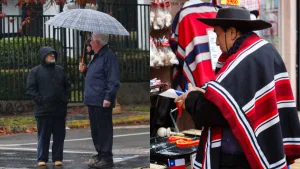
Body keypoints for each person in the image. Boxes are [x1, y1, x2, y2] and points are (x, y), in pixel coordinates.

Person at [175, 7, 300, 169]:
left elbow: (215, 112)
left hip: (237, 157)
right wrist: (205, 92)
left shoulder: (245, 59)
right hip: (262, 145)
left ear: (232, 32)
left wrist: (191, 98)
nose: (217, 42)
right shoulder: (264, 51)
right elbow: (234, 97)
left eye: (218, 35)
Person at [79, 33, 120, 168]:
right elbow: (96, 77)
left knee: (104, 129)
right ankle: (100, 154)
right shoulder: (97, 56)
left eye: (91, 40)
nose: (89, 43)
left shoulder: (108, 56)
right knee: (96, 130)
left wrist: (108, 97)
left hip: (101, 99)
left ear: (98, 42)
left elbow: (113, 80)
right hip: (93, 99)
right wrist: (85, 71)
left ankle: (107, 157)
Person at [26, 46, 71, 167]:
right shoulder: (35, 71)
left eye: (53, 54)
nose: (52, 56)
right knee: (43, 136)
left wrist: (64, 100)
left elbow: (67, 86)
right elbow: (31, 89)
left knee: (59, 136)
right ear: (43, 56)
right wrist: (40, 100)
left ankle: (58, 158)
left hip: (59, 110)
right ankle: (42, 158)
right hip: (43, 110)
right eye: (50, 54)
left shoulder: (60, 70)